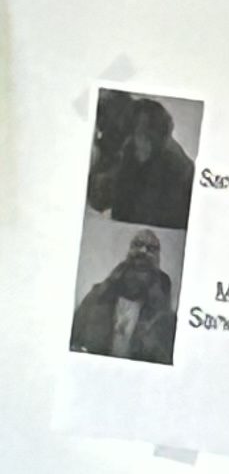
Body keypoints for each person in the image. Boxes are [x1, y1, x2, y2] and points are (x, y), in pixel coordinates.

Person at [90, 95, 195, 230]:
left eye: (138, 133)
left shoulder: (178, 171)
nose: (131, 140)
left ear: (154, 136)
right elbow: (100, 199)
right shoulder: (132, 152)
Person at [70, 229, 176, 363]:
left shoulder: (164, 317)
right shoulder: (96, 298)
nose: (143, 251)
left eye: (151, 248)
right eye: (137, 244)